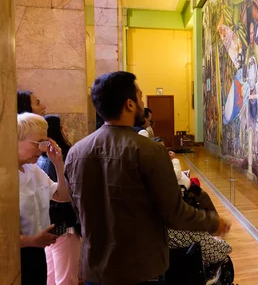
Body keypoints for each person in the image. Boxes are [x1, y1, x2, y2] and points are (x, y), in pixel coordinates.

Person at [65, 71, 230, 284]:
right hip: (140, 270)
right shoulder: (149, 151)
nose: (143, 102)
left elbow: (78, 211)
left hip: (96, 270)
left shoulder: (76, 153)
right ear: (130, 104)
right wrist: (212, 223)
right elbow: (174, 212)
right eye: (140, 96)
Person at [18, 113, 70, 284]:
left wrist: (58, 164)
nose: (42, 149)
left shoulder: (33, 170)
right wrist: (31, 240)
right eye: (37, 143)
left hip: (36, 252)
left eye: (44, 143)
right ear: (16, 139)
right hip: (15, 254)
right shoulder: (6, 176)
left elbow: (62, 196)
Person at [37, 115, 81, 285]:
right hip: (64, 225)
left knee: (52, 275)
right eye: (63, 125)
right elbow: (66, 195)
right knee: (66, 277)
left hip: (48, 223)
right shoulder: (60, 158)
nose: (66, 129)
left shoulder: (40, 160)